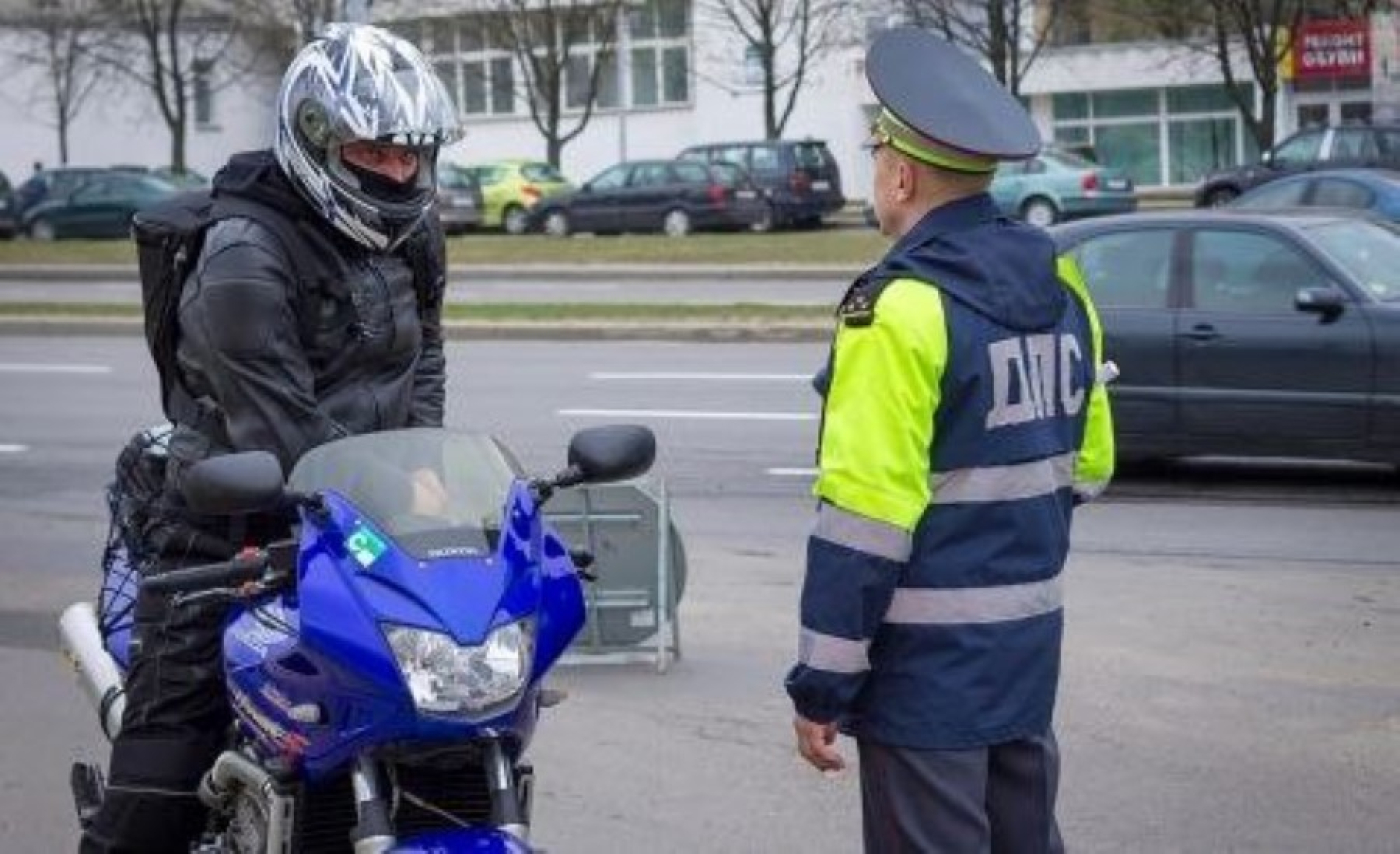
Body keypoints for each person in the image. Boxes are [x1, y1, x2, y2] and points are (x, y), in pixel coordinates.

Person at [80, 22, 461, 854]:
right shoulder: (243, 256)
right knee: (158, 788)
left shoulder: (413, 235)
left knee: (450, 724)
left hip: (365, 517)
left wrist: (427, 470)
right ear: (318, 142)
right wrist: (394, 495)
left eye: (412, 154)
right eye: (376, 154)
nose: (399, 171)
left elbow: (424, 361)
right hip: (230, 520)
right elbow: (281, 428)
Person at [784, 26, 1115, 854]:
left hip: (924, 683)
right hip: (1026, 658)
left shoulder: (897, 308)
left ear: (899, 172)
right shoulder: (1059, 279)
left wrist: (821, 685)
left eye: (876, 161)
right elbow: (1093, 463)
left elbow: (864, 519)